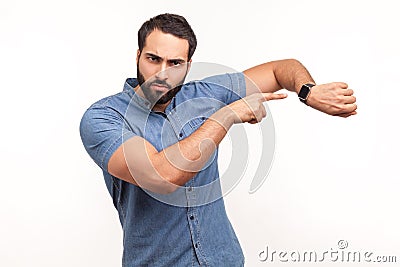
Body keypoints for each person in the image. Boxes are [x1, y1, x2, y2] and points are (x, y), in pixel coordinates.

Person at [79, 13, 357, 266]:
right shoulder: (105, 117)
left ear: (188, 65)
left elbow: (280, 69)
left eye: (175, 63)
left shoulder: (204, 94)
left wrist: (308, 91)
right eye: (153, 59)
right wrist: (224, 117)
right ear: (138, 56)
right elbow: (161, 175)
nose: (162, 73)